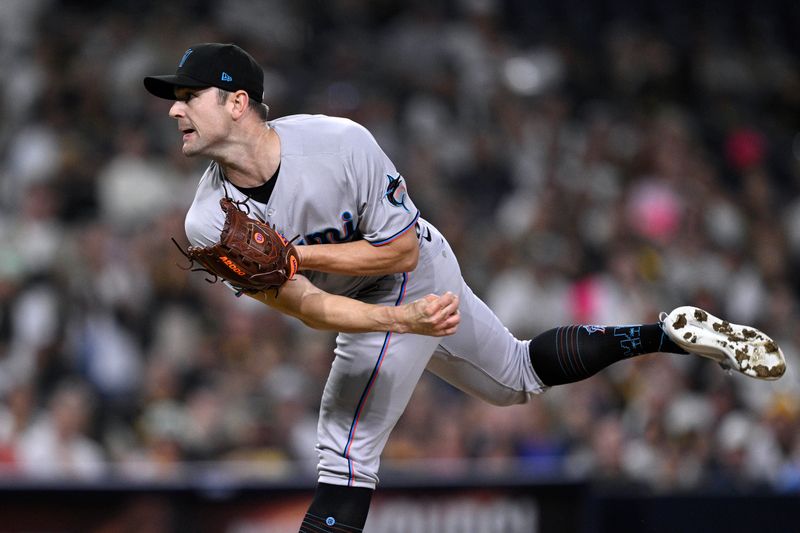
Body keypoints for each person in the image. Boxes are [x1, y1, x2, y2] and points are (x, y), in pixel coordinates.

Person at [143, 43, 786, 532]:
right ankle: (664, 332)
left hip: (416, 265)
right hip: (369, 302)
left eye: (187, 94)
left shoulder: (339, 143)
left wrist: (305, 259)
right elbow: (310, 306)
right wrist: (402, 322)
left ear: (237, 101)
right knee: (517, 378)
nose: (173, 108)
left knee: (344, 454)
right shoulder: (207, 224)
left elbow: (397, 248)